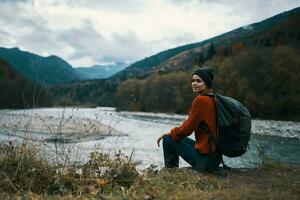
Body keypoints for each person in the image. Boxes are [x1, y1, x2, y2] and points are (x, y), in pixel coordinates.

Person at [157, 67, 221, 171]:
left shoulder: (201, 100)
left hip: (205, 161)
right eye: (193, 80)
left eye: (198, 81)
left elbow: (188, 128)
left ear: (207, 83)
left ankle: (171, 172)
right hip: (214, 158)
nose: (194, 83)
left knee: (168, 139)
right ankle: (172, 171)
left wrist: (169, 133)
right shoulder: (214, 99)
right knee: (175, 137)